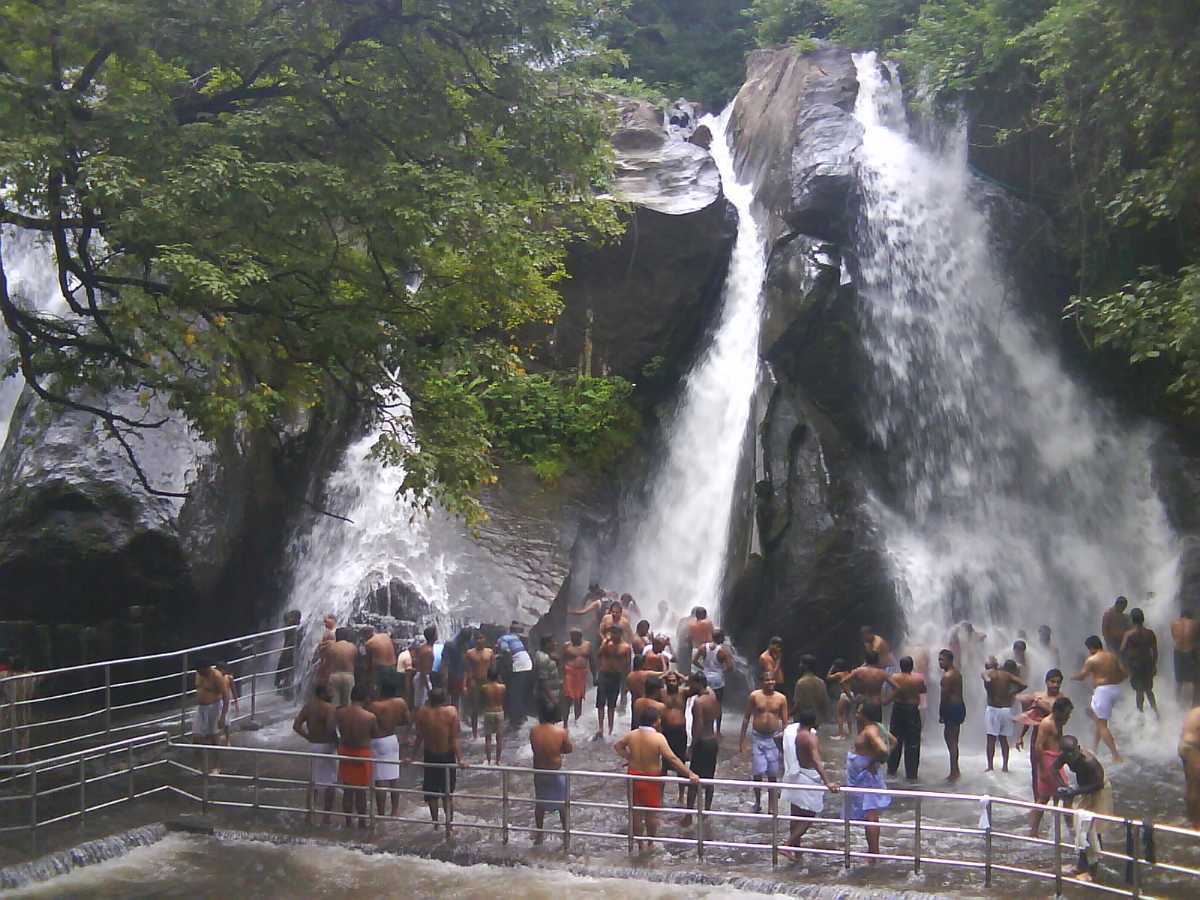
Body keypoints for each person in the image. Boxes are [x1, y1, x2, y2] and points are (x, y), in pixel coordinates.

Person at [614, 706, 699, 852]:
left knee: (635, 813)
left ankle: (639, 845)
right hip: (651, 778)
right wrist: (689, 773)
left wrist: (629, 757)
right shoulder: (658, 738)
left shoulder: (632, 735)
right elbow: (672, 759)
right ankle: (650, 843)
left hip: (633, 775)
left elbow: (617, 746)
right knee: (651, 815)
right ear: (654, 722)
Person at [1052, 735, 1114, 881]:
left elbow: (1098, 783)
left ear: (1078, 749)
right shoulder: (1065, 756)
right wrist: (1062, 786)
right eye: (1067, 753)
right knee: (1080, 826)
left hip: (1099, 790)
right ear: (1062, 752)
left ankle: (1093, 870)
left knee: (1093, 828)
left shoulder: (1089, 762)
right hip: (1084, 790)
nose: (1071, 756)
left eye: (1073, 752)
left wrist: (1074, 792)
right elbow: (1054, 769)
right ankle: (1082, 864)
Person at [781, 709, 839, 856]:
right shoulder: (810, 737)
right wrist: (827, 782)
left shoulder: (796, 734)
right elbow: (816, 760)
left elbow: (778, 739)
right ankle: (787, 845)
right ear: (813, 723)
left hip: (798, 774)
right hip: (808, 776)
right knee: (810, 815)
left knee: (796, 814)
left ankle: (796, 850)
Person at [410, 686, 466, 829]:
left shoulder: (422, 712)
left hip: (430, 755)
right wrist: (461, 759)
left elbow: (419, 737)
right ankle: (449, 826)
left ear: (429, 699)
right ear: (444, 699)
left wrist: (411, 756)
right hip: (446, 755)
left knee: (431, 794)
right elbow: (454, 738)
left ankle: (435, 824)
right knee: (447, 794)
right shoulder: (451, 712)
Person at [845, 702, 892, 859]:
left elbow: (884, 749)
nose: (856, 714)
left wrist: (874, 762)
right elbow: (894, 741)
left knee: (871, 815)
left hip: (868, 779)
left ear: (866, 714)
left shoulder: (870, 731)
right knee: (868, 814)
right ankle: (872, 851)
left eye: (859, 711)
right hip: (863, 777)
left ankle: (874, 853)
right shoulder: (877, 728)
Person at [1015, 668, 1065, 811]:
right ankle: (1037, 802)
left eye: (1058, 682)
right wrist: (1020, 736)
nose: (1055, 685)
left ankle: (1056, 805)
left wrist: (1043, 705)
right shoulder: (1038, 696)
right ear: (1046, 682)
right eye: (1052, 682)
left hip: (1055, 740)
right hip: (1037, 738)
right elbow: (1030, 716)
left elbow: (1060, 718)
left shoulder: (1061, 699)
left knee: (1056, 771)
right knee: (1036, 771)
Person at [739, 673, 789, 814]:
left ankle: (772, 805)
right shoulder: (755, 696)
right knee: (758, 771)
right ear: (762, 681)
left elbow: (785, 722)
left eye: (772, 679)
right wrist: (741, 741)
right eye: (767, 680)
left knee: (772, 773)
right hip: (757, 737)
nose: (770, 682)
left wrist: (785, 740)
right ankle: (758, 801)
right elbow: (746, 718)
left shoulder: (781, 698)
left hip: (773, 738)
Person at [1072, 635, 1127, 762]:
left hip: (1102, 692)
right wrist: (1114, 681)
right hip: (1115, 689)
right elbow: (1124, 673)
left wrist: (1072, 677)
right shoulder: (1112, 656)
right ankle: (1094, 749)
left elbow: (1082, 676)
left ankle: (1116, 755)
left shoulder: (1092, 659)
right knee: (1097, 719)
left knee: (1102, 725)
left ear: (1090, 647)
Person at [292, 684, 338, 824]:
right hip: (327, 747)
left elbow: (296, 726)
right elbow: (331, 728)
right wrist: (338, 742)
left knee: (313, 782)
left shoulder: (308, 707)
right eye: (330, 691)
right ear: (323, 694)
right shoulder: (330, 708)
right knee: (330, 782)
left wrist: (308, 737)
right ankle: (326, 817)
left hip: (314, 746)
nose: (332, 694)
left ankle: (309, 815)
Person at [1028, 696, 1073, 837]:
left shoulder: (1059, 722)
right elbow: (1038, 747)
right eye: (1067, 714)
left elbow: (1059, 741)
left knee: (1046, 797)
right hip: (1048, 761)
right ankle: (1071, 829)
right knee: (1065, 794)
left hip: (1055, 760)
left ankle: (1035, 831)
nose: (1068, 717)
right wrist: (1042, 770)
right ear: (1058, 712)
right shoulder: (1046, 724)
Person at [335, 683, 379, 829]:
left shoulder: (340, 713)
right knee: (361, 792)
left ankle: (348, 822)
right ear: (364, 698)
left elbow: (335, 730)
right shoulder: (370, 717)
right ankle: (362, 822)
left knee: (347, 790)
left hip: (345, 751)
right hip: (362, 752)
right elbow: (375, 734)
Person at [530, 701, 573, 844]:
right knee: (563, 806)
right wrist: (557, 748)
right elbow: (569, 749)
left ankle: (539, 834)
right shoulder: (561, 732)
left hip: (539, 771)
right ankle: (566, 835)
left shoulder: (534, 730)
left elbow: (535, 748)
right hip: (555, 771)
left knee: (540, 804)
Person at [367, 679, 409, 818]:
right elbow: (407, 721)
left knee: (380, 780)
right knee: (394, 778)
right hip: (393, 738)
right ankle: (395, 811)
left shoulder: (375, 706)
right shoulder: (401, 703)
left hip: (379, 740)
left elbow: (367, 722)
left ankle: (380, 813)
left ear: (382, 691)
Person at [683, 671, 720, 826]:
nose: (689, 687)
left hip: (702, 743)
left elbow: (697, 727)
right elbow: (718, 714)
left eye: (691, 684)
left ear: (698, 684)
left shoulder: (699, 702)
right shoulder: (712, 696)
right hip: (712, 741)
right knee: (709, 779)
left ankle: (689, 815)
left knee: (693, 779)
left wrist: (691, 747)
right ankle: (706, 812)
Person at [885, 656, 926, 782]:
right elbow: (923, 691)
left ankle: (891, 771)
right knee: (913, 742)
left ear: (900, 666)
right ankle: (912, 774)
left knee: (895, 740)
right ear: (912, 666)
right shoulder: (918, 679)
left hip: (898, 709)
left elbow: (891, 690)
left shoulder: (894, 677)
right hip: (912, 709)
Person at [982, 658, 1026, 772]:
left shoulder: (989, 673)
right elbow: (1024, 684)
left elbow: (986, 678)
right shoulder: (1007, 675)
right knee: (1003, 739)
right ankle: (1005, 767)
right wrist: (1012, 692)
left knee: (991, 739)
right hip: (1006, 709)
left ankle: (990, 767)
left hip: (993, 709)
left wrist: (988, 684)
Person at [1120, 607, 1159, 717]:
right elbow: (1155, 652)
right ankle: (1155, 711)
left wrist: (1124, 666)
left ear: (1132, 619)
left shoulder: (1129, 634)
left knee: (1139, 691)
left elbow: (1122, 651)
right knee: (1149, 690)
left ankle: (1140, 713)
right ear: (1143, 619)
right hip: (1147, 664)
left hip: (1135, 666)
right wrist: (1154, 665)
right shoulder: (1150, 633)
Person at [193, 660, 231, 774]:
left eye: (201, 671)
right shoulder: (199, 674)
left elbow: (226, 697)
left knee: (214, 738)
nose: (199, 673)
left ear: (207, 668)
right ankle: (199, 766)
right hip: (201, 708)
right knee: (196, 738)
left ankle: (217, 766)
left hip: (214, 707)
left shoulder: (217, 676)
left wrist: (223, 716)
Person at [594, 624, 630, 740]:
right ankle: (600, 728)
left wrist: (626, 682)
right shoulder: (607, 644)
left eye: (616, 633)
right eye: (612, 633)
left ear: (620, 634)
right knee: (600, 703)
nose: (613, 635)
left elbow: (628, 665)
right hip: (604, 674)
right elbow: (598, 655)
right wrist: (604, 643)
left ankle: (610, 728)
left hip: (616, 676)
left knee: (611, 704)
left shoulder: (625, 647)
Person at [694, 629, 734, 732]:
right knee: (718, 704)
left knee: (703, 701)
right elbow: (730, 667)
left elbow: (694, 661)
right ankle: (718, 730)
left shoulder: (703, 647)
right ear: (720, 638)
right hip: (717, 680)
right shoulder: (723, 651)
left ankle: (703, 727)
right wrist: (721, 671)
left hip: (705, 678)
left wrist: (703, 668)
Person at [660, 671, 690, 808]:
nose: (672, 683)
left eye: (674, 681)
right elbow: (649, 685)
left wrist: (678, 674)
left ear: (678, 682)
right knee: (663, 766)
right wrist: (665, 674)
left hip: (680, 732)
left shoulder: (683, 693)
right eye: (669, 681)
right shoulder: (661, 693)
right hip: (665, 732)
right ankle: (660, 795)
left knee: (681, 764)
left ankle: (681, 795)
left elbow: (694, 684)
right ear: (666, 682)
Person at [496, 623, 533, 728]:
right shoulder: (515, 637)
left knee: (514, 692)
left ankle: (516, 720)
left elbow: (506, 651)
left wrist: (503, 659)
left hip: (519, 663)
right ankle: (521, 715)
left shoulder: (502, 639)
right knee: (520, 690)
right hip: (526, 661)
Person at [938, 649, 965, 781]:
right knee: (954, 740)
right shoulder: (957, 673)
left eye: (942, 660)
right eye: (939, 660)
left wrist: (941, 713)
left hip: (952, 708)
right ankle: (955, 770)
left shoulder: (947, 676)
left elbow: (944, 697)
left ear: (949, 660)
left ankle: (954, 772)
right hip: (959, 707)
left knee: (951, 740)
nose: (940, 662)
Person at [465, 631, 494, 739]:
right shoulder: (470, 653)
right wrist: (469, 681)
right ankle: (475, 734)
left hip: (487, 681)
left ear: (485, 639)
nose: (480, 640)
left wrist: (495, 682)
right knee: (475, 708)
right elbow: (467, 669)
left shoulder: (489, 652)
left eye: (481, 638)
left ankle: (490, 731)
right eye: (477, 638)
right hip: (475, 682)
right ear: (474, 641)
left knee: (490, 707)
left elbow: (493, 668)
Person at [561, 629, 593, 727]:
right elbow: (562, 661)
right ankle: (565, 723)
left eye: (575, 636)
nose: (573, 638)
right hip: (569, 673)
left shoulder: (587, 645)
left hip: (581, 674)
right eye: (571, 636)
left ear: (580, 636)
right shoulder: (567, 645)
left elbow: (592, 660)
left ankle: (577, 721)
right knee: (567, 698)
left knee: (578, 698)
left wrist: (594, 675)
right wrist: (561, 676)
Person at [792, 654, 831, 726]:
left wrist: (789, 714)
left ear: (806, 666)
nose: (799, 665)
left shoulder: (801, 683)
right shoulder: (821, 682)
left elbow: (797, 704)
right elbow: (825, 702)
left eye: (801, 663)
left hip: (803, 719)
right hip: (816, 719)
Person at [1171, 610, 1199, 707]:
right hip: (1190, 652)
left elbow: (1174, 638)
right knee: (1196, 681)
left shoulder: (1174, 624)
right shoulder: (1195, 623)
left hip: (1177, 652)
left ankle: (1177, 703)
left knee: (1179, 680)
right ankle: (1194, 704)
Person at [479, 666, 507, 764]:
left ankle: (489, 760)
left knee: (488, 738)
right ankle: (498, 761)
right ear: (497, 676)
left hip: (488, 711)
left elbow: (482, 699)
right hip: (499, 711)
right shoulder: (503, 687)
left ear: (488, 676)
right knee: (499, 738)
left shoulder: (484, 687)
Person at [326, 628, 358, 708]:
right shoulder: (352, 647)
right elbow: (356, 663)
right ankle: (346, 719)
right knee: (348, 704)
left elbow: (327, 664)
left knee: (335, 705)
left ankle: (335, 719)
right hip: (348, 675)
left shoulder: (331, 647)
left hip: (334, 675)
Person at [1180, 706, 1200, 829]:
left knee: (1193, 786)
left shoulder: (1196, 711)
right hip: (1191, 748)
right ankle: (1195, 822)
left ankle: (1193, 819)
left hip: (1187, 745)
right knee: (1195, 787)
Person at [534, 635, 563, 717]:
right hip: (547, 697)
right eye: (553, 642)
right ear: (547, 644)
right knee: (548, 723)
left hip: (552, 695)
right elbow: (543, 682)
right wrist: (553, 700)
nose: (556, 644)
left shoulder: (548, 656)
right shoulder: (542, 658)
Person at [275, 610, 302, 699]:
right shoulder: (291, 628)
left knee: (286, 671)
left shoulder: (290, 627)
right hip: (289, 651)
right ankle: (286, 692)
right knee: (287, 671)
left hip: (288, 651)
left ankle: (283, 689)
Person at [827, 659, 854, 738]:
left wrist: (832, 667)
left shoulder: (839, 674)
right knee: (849, 714)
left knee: (839, 714)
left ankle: (841, 734)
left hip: (844, 695)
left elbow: (828, 678)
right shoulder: (850, 673)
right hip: (851, 694)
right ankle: (850, 733)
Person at [413, 625, 437, 710]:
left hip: (420, 677)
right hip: (422, 679)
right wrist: (428, 687)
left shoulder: (423, 647)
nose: (437, 634)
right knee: (420, 706)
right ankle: (413, 722)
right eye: (436, 633)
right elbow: (424, 671)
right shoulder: (428, 651)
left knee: (419, 705)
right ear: (433, 636)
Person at [443, 631, 466, 712]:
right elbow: (445, 662)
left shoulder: (461, 645)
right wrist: (445, 676)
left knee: (454, 699)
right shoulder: (450, 645)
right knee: (451, 699)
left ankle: (454, 717)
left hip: (457, 675)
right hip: (452, 675)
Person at [686, 607, 714, 675]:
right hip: (707, 650)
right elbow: (713, 634)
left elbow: (688, 639)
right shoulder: (708, 622)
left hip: (695, 649)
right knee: (709, 673)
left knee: (696, 674)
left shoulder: (690, 624)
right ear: (704, 615)